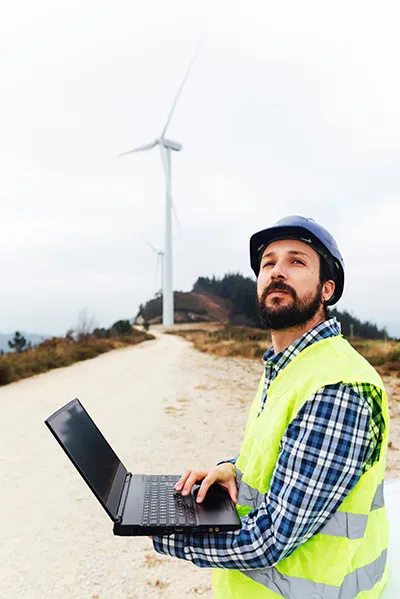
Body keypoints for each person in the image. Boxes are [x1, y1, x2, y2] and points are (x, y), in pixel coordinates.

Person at [152, 215, 390, 599]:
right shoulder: (288, 367)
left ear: (327, 289)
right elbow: (278, 454)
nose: (278, 271)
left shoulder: (338, 385)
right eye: (268, 263)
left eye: (296, 261)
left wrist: (167, 533)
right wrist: (231, 469)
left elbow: (270, 540)